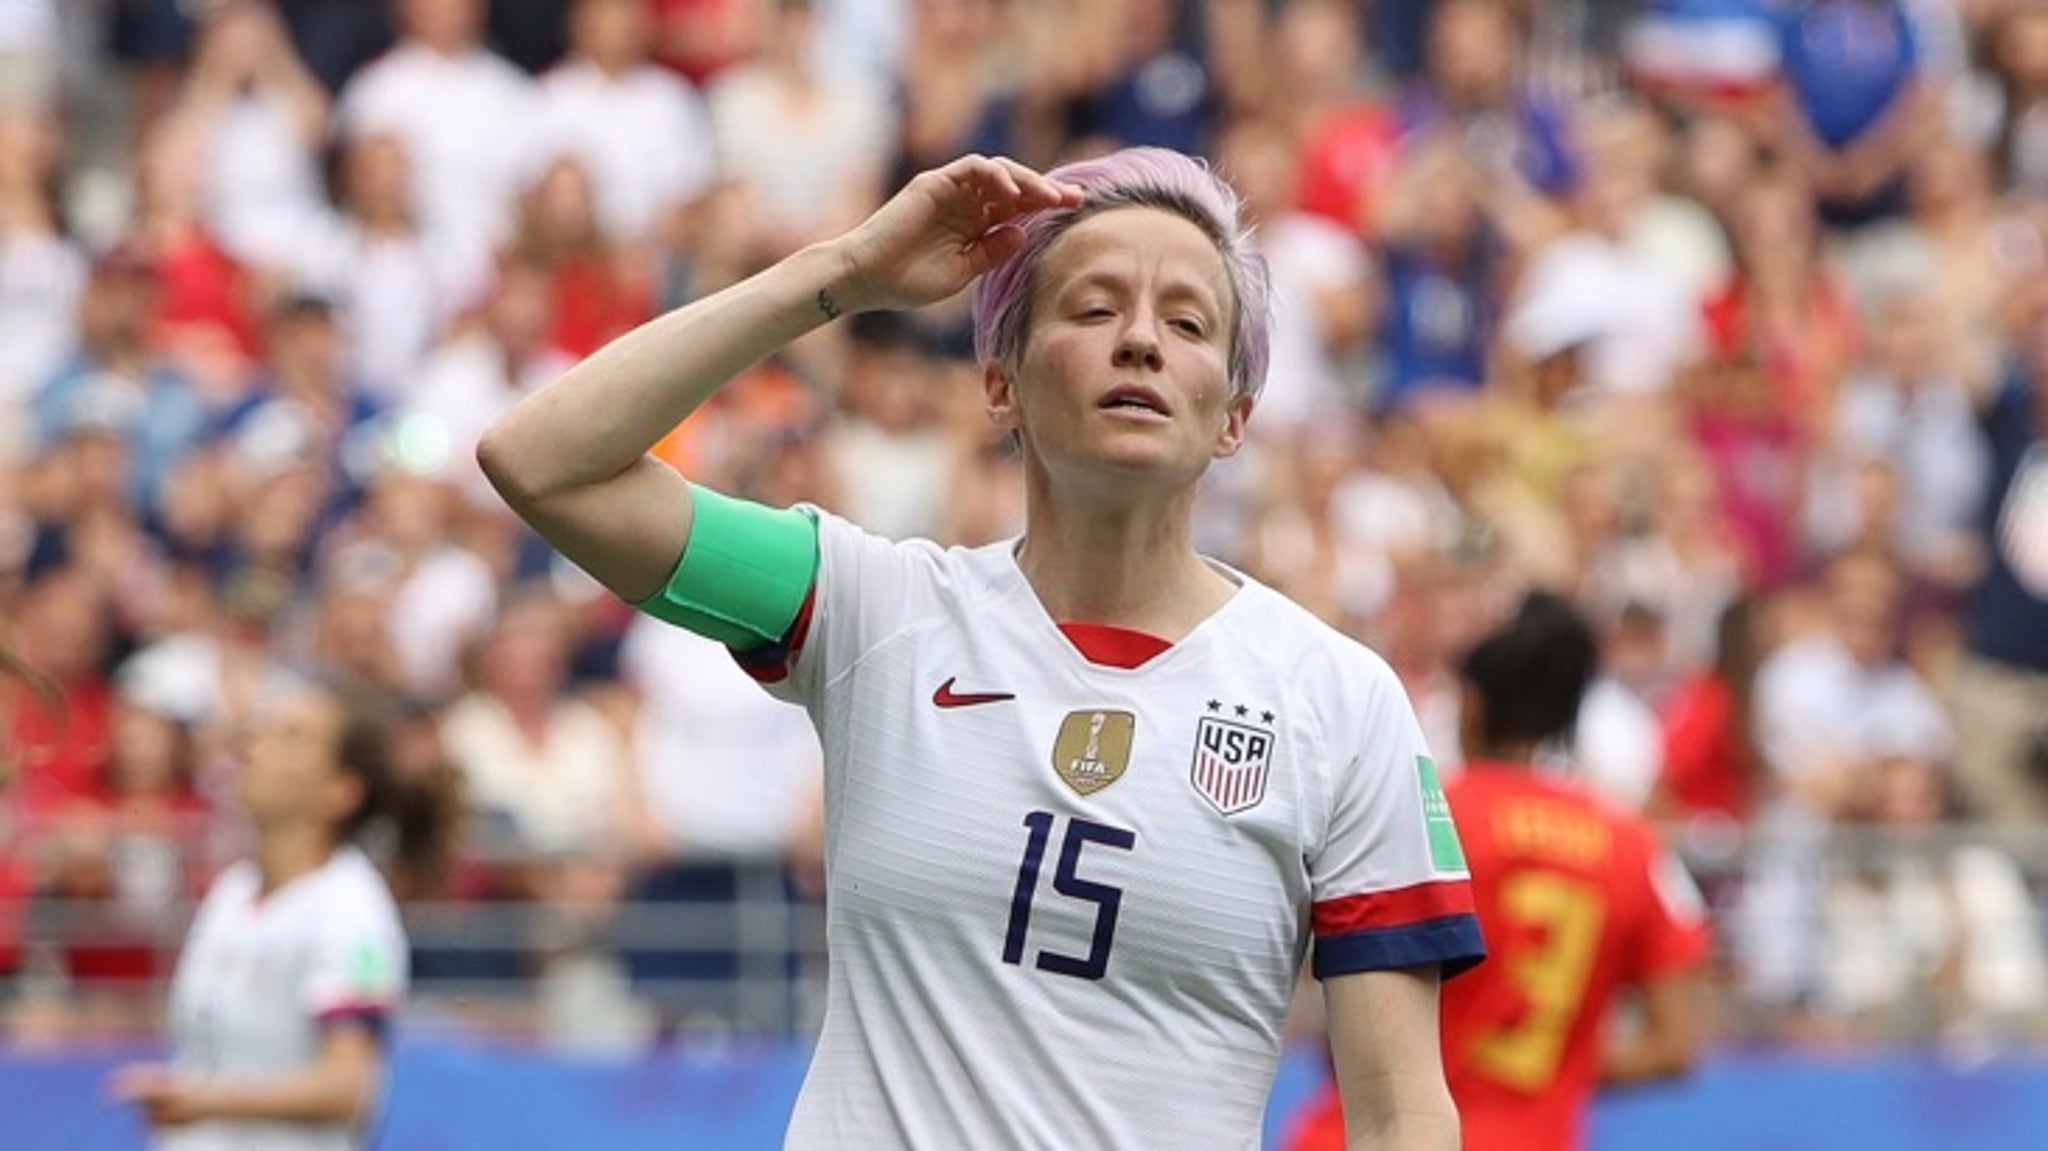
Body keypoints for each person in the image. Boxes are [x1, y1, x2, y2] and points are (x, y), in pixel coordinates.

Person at [478, 148, 1485, 1148]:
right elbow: (544, 461)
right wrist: (840, 274)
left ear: (1233, 415)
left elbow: (1400, 1110)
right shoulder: (871, 608)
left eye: (1185, 322)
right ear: (998, 384)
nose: (1138, 340)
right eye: (1092, 308)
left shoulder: (1340, 700)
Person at [1287, 592, 1711, 1151]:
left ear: (1473, 705)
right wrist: (1554, 1062)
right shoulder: (1635, 846)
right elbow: (1674, 1044)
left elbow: (1337, 1018)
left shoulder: (1426, 813)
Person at [110, 680, 441, 1150]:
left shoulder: (351, 912)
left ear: (341, 791)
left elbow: (350, 1086)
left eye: (292, 737)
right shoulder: (232, 890)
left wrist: (206, 1104)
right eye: (260, 731)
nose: (253, 748)